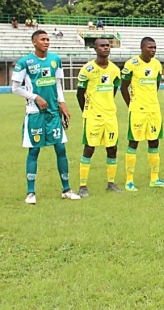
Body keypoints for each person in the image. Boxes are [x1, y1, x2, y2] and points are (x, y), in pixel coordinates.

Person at [11, 30, 80, 203]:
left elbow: (57, 84)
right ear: (34, 42)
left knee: (61, 149)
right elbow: (15, 88)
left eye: (48, 39)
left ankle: (66, 190)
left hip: (53, 114)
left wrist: (62, 103)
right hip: (35, 113)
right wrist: (35, 97)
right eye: (43, 39)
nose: (47, 42)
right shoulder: (24, 62)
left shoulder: (55, 60)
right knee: (34, 150)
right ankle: (30, 193)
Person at [120, 37, 164, 190]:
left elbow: (156, 84)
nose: (153, 50)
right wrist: (132, 104)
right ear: (142, 47)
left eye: (155, 47)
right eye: (150, 47)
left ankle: (154, 179)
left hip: (154, 109)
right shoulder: (131, 64)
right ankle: (129, 181)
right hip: (137, 110)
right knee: (133, 142)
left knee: (154, 141)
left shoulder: (157, 65)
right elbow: (124, 88)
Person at [76, 37, 122, 197]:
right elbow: (79, 94)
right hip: (93, 116)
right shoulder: (87, 69)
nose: (105, 48)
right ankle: (82, 186)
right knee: (89, 148)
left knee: (112, 148)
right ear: (95, 48)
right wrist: (87, 111)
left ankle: (111, 183)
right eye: (102, 46)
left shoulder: (115, 70)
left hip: (110, 116)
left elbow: (114, 90)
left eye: (108, 45)